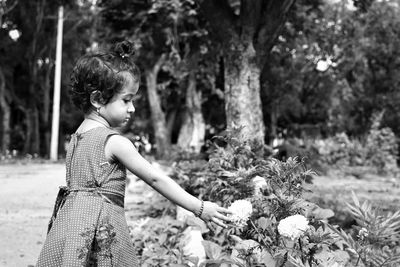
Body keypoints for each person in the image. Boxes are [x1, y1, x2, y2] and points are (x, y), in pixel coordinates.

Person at [36, 41, 231, 267]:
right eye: (126, 100)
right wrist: (199, 207)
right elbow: (155, 178)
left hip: (70, 226)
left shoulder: (77, 136)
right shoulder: (114, 142)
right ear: (98, 99)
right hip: (101, 231)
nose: (132, 108)